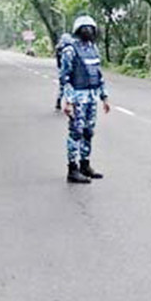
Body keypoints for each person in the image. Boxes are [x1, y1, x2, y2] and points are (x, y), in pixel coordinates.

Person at [60, 15, 111, 183]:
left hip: (91, 97)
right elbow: (65, 77)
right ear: (78, 30)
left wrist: (104, 97)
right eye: (85, 28)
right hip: (77, 98)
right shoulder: (70, 50)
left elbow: (98, 74)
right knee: (76, 132)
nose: (88, 31)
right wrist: (68, 101)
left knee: (88, 132)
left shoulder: (93, 49)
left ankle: (85, 164)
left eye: (90, 28)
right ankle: (72, 169)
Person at [55, 33, 74, 111]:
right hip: (67, 71)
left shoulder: (59, 48)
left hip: (62, 70)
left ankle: (59, 101)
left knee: (62, 87)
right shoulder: (70, 50)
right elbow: (69, 63)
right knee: (69, 87)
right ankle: (68, 103)